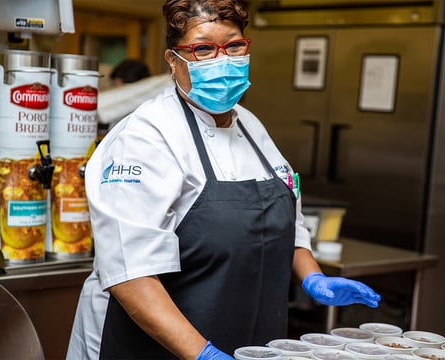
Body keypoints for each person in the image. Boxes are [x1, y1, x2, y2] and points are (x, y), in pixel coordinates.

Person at [66, 0, 381, 359]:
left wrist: (312, 277)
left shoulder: (251, 125)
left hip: (242, 337)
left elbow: (285, 226)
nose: (221, 60)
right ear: (173, 60)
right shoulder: (144, 137)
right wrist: (203, 354)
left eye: (232, 45)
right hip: (148, 344)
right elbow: (130, 275)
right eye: (202, 49)